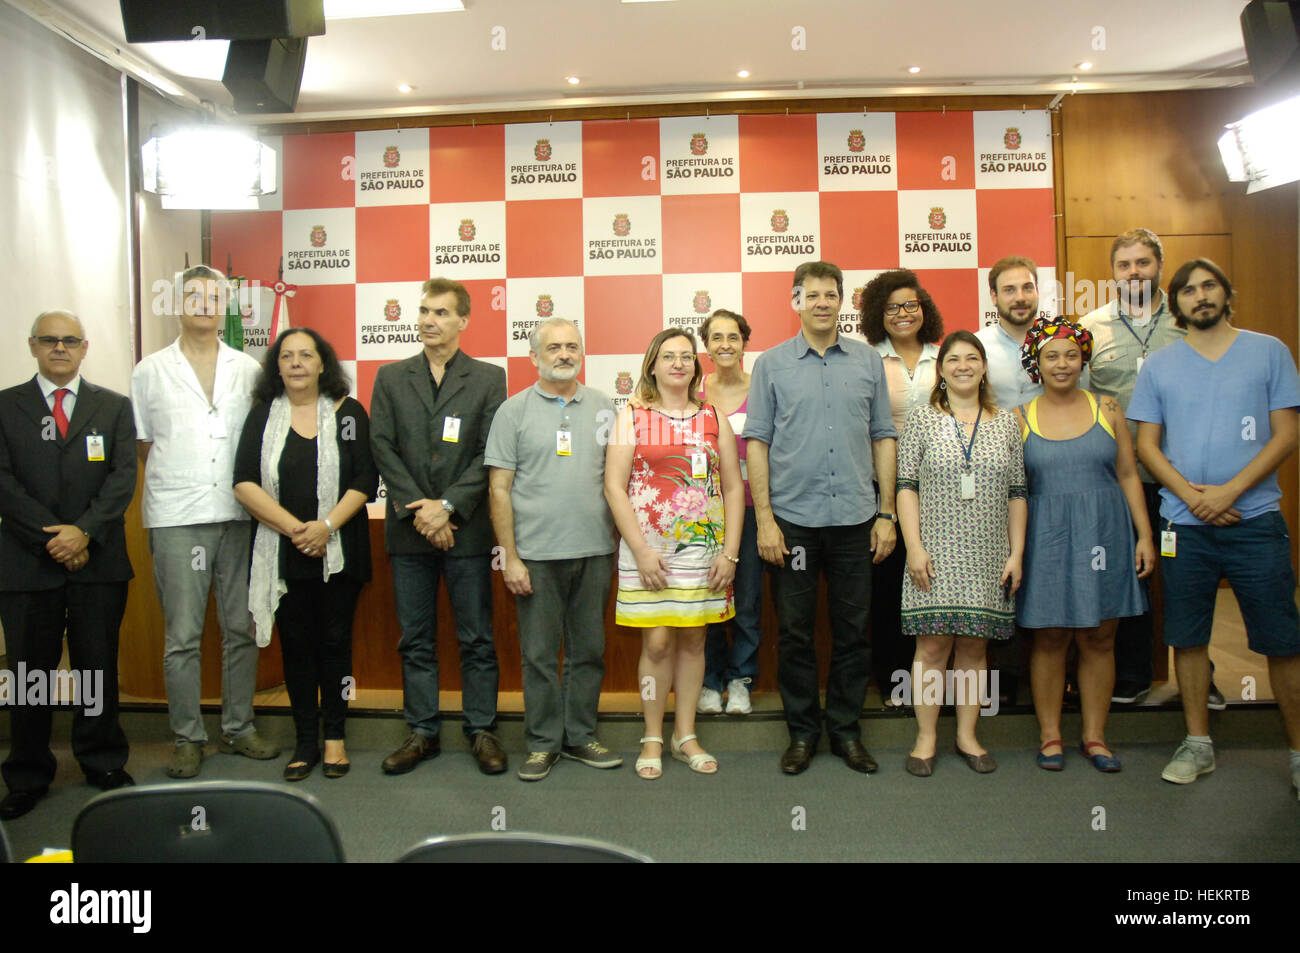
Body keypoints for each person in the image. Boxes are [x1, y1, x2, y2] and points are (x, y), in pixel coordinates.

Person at [1128, 259, 1300, 797]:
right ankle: (1197, 742)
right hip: (1184, 524)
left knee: (1282, 639)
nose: (1200, 296)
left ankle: (1297, 751)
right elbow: (1146, 447)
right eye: (1188, 291)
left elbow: (1286, 433)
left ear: (1227, 294)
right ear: (1175, 304)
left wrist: (1228, 492)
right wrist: (1193, 497)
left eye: (1209, 287)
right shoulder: (1158, 365)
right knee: (1186, 635)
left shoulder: (1268, 351)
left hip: (1256, 521)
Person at [743, 261, 897, 775]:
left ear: (842, 301)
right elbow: (757, 443)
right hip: (794, 522)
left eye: (831, 294)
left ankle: (847, 733)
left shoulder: (867, 362)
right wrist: (764, 519)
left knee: (854, 631)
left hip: (856, 518)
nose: (823, 303)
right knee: (795, 633)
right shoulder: (771, 364)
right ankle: (803, 733)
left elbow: (883, 436)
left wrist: (886, 512)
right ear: (796, 301)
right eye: (813, 295)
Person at [131, 265, 279, 778]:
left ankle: (238, 728)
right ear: (176, 303)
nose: (203, 304)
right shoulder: (150, 370)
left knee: (241, 627)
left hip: (239, 515)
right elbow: (147, 445)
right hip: (177, 517)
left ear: (225, 307)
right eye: (192, 296)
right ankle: (187, 736)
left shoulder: (248, 368)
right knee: (183, 636)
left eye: (213, 296)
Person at [0, 311, 136, 820]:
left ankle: (102, 761)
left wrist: (83, 532)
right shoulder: (4, 406)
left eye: (70, 340)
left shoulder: (115, 408)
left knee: (96, 668)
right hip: (25, 564)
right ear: (32, 345)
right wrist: (51, 537)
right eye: (50, 340)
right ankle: (28, 773)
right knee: (30, 673)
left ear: (85, 348)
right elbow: (3, 482)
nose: (60, 348)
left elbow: (123, 479)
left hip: (96, 561)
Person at [369, 277, 508, 775]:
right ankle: (423, 732)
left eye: (441, 313)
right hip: (410, 531)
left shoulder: (490, 378)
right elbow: (382, 446)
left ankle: (482, 729)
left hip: (466, 530)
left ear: (463, 320)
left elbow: (488, 452)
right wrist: (421, 510)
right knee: (416, 637)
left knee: (476, 636)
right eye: (424, 311)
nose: (429, 320)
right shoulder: (390, 376)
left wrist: (447, 506)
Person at [233, 328, 378, 781]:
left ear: (322, 364)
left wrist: (325, 526)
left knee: (334, 645)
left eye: (306, 355)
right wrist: (295, 529)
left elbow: (364, 481)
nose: (296, 363)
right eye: (287, 356)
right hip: (283, 549)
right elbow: (243, 481)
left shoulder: (348, 413)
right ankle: (304, 742)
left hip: (338, 549)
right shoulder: (262, 416)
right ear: (276, 366)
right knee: (296, 648)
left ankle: (334, 738)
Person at [1079, 228, 1213, 707]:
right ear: (1113, 272)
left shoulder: (1188, 322)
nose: (1134, 271)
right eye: (1124, 264)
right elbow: (1077, 400)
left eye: (1143, 262)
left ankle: (1202, 675)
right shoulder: (1091, 327)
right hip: (1117, 479)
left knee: (1184, 577)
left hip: (1181, 477)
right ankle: (1133, 675)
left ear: (1159, 265)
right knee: (1128, 575)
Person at [1014, 317, 1154, 773]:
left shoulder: (1109, 409)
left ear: (1084, 360)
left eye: (1071, 355)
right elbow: (1013, 490)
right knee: (1050, 636)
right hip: (1046, 536)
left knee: (1099, 636)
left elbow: (1129, 474)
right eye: (1051, 355)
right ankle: (1050, 736)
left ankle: (1095, 737)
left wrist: (1144, 535)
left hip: (1105, 533)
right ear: (1036, 362)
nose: (1062, 363)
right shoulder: (1019, 417)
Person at [485, 318, 623, 781]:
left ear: (582, 351)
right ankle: (543, 743)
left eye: (572, 346)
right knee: (540, 656)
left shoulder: (605, 407)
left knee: (589, 650)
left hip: (596, 552)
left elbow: (619, 481)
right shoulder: (513, 411)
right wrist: (511, 557)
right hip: (536, 556)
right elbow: (499, 490)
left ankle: (581, 736)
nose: (564, 354)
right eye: (554, 347)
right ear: (534, 357)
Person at [605, 327, 742, 779]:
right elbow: (614, 487)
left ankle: (685, 735)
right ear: (653, 365)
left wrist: (731, 552)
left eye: (686, 356)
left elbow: (733, 487)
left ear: (695, 365)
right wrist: (642, 552)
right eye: (669, 356)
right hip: (648, 551)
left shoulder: (713, 417)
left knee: (695, 639)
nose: (678, 363)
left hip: (703, 550)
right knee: (658, 642)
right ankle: (651, 735)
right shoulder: (632, 416)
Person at [896, 331, 1025, 776]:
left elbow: (1017, 493)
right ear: (942, 368)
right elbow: (905, 488)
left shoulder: (1007, 423)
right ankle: (926, 738)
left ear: (985, 366)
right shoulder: (921, 419)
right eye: (954, 359)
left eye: (973, 358)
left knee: (974, 646)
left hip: (989, 552)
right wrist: (913, 547)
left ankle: (968, 737)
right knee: (931, 647)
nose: (964, 365)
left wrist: (1017, 553)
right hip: (933, 551)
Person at [975, 255, 1087, 706]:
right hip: (997, 487)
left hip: (1058, 480)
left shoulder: (1063, 340)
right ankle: (1006, 689)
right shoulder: (978, 347)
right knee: (1005, 578)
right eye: (1009, 289)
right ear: (994, 296)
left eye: (1027, 288)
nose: (1019, 297)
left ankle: (1066, 685)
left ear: (1037, 291)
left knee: (1058, 574)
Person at [860, 270, 944, 711]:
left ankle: (937, 684)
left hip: (943, 487)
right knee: (891, 585)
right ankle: (896, 684)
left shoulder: (946, 356)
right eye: (892, 307)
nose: (903, 313)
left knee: (938, 581)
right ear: (878, 314)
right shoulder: (868, 360)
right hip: (885, 487)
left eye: (911, 304)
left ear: (924, 308)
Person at [695, 309, 762, 716]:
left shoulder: (762, 387)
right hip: (703, 511)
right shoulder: (693, 389)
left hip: (753, 509)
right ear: (706, 345)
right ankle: (709, 679)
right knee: (708, 595)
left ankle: (741, 679)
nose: (724, 345)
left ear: (744, 343)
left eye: (733, 337)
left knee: (748, 598)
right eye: (716, 337)